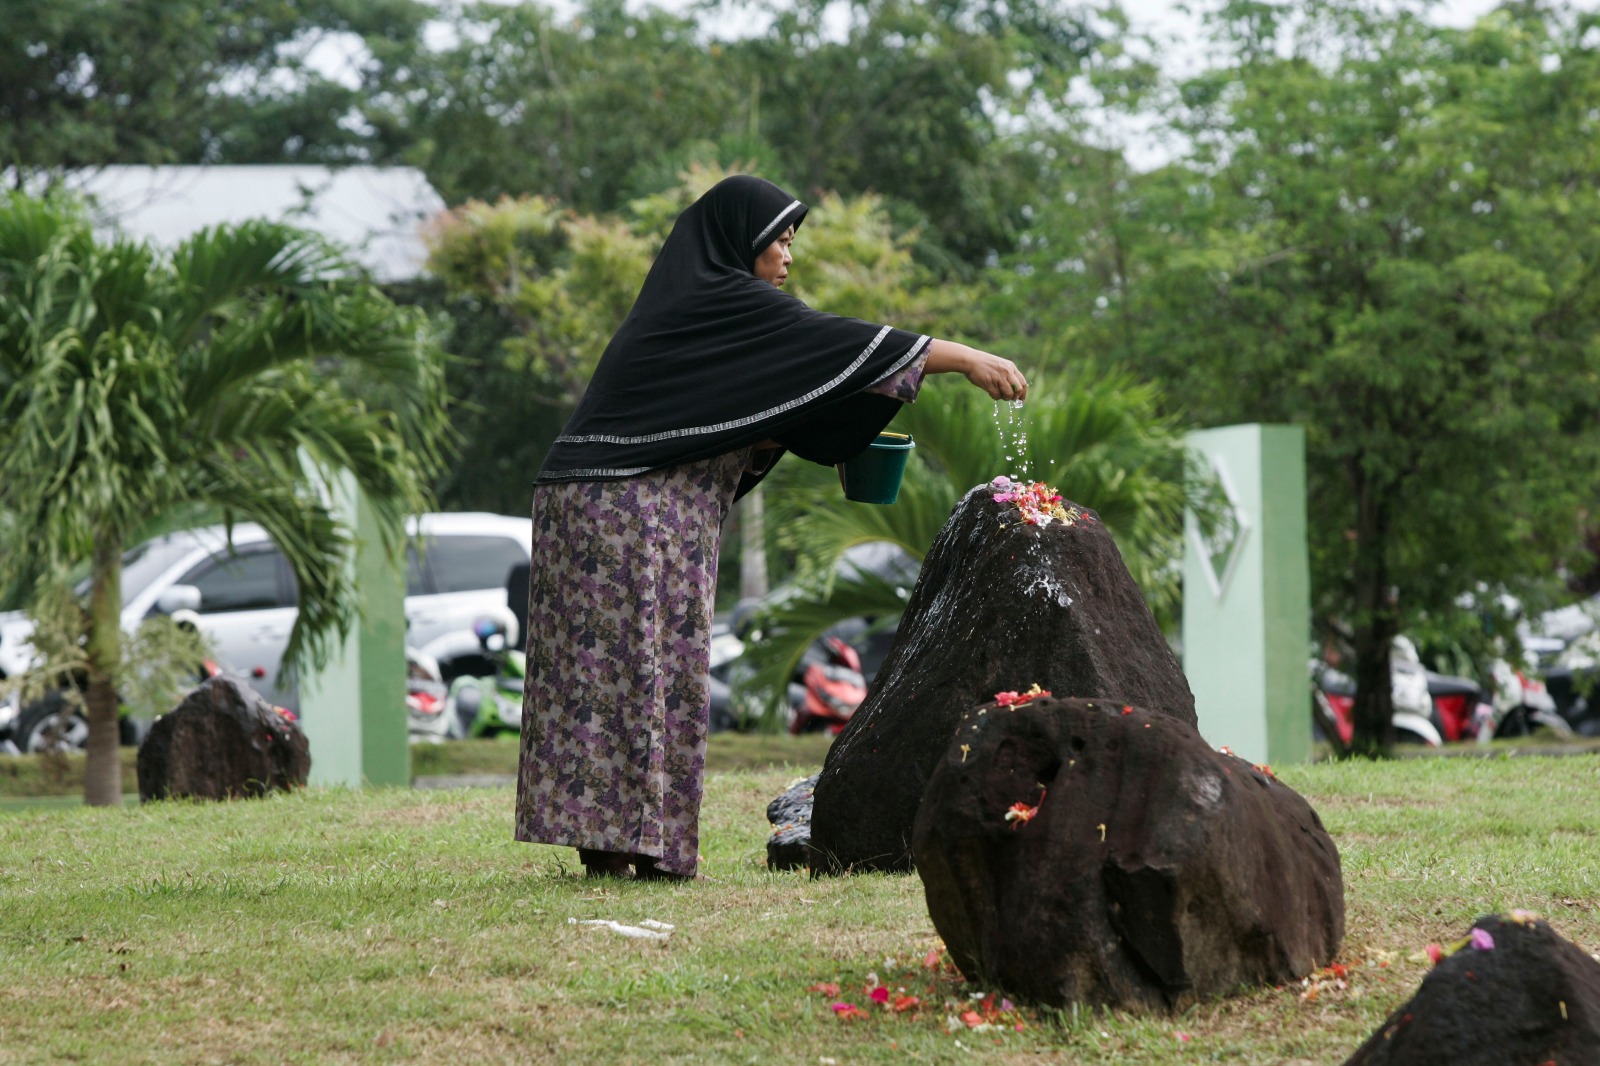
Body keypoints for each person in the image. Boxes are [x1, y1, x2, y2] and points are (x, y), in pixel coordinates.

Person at [514, 175, 1027, 880]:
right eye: (778, 240)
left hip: (616, 504)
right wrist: (965, 358)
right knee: (629, 674)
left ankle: (638, 847)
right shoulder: (722, 300)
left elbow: (780, 398)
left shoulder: (703, 309)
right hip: (622, 508)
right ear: (737, 241)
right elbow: (833, 344)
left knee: (646, 673)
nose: (787, 257)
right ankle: (626, 846)